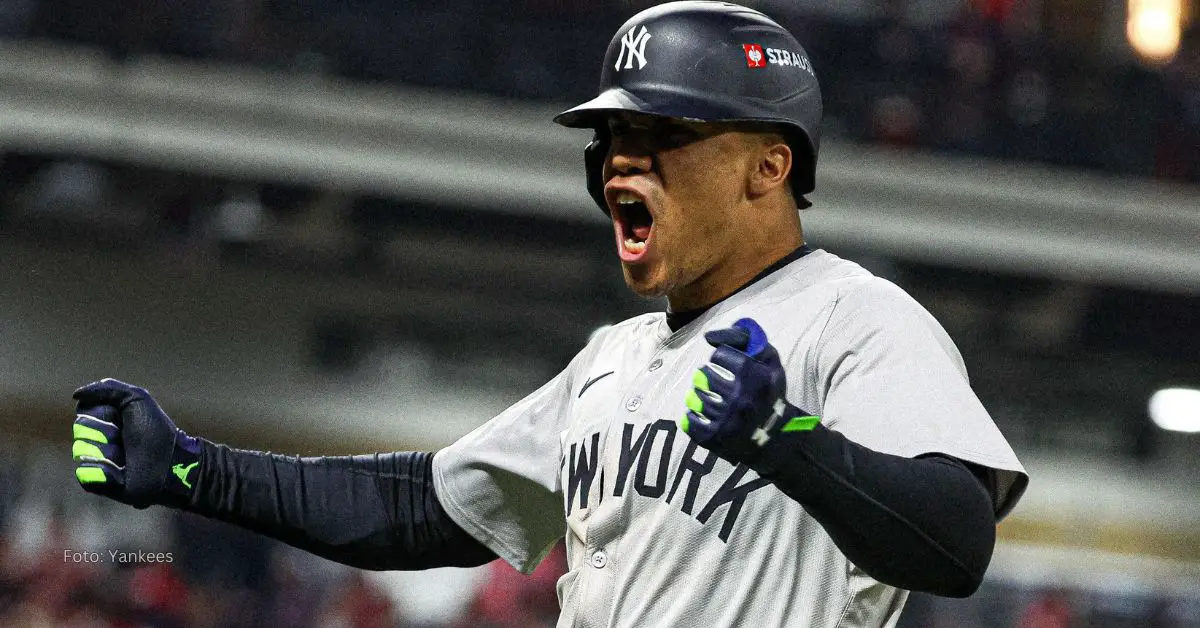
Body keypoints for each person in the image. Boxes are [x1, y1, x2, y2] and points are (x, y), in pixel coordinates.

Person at [70, 2, 1028, 626]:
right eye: (612, 136)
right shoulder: (612, 361)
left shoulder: (855, 319)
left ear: (769, 166)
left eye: (661, 133)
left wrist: (792, 442)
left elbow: (956, 542)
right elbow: (415, 507)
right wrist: (191, 469)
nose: (620, 159)